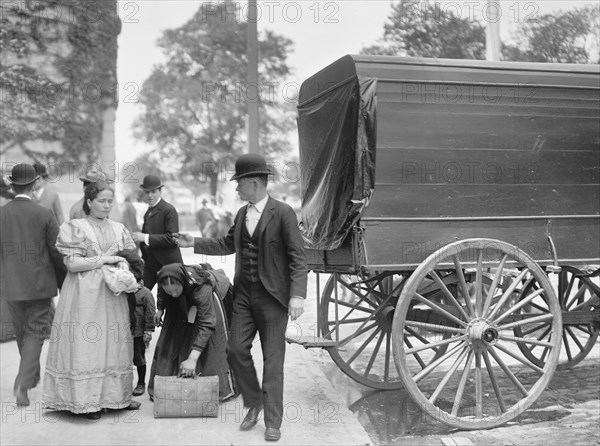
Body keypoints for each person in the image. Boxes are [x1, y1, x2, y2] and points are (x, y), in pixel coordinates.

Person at [176, 153, 307, 442]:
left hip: (273, 301)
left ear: (256, 183)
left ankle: (273, 421)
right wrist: (194, 242)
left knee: (273, 362)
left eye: (240, 183)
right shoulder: (241, 214)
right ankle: (253, 403)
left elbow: (299, 257)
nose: (236, 189)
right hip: (244, 298)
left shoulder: (283, 213)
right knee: (235, 350)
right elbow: (226, 244)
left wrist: (297, 295)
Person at [42, 180, 142, 419]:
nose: (107, 205)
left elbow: (131, 257)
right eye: (101, 201)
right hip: (84, 295)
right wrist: (107, 260)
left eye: (110, 201)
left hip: (113, 294)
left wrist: (124, 265)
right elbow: (73, 264)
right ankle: (86, 402)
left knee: (115, 343)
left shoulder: (119, 229)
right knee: (88, 344)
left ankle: (116, 397)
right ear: (89, 202)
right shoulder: (74, 227)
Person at [0, 163, 67, 406]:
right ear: (35, 182)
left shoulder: (2, 213)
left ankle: (30, 375)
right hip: (39, 286)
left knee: (21, 332)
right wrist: (64, 282)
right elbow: (56, 252)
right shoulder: (43, 214)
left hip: (10, 286)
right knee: (35, 334)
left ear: (13, 184)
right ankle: (23, 382)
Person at [147, 263, 236, 402]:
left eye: (175, 289)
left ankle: (219, 387)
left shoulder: (202, 289)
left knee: (211, 347)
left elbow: (207, 324)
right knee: (170, 340)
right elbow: (163, 291)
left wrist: (192, 359)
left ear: (183, 282)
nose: (173, 293)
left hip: (208, 305)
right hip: (181, 302)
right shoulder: (166, 281)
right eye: (169, 291)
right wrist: (160, 309)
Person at [131, 175, 182, 291]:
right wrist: (143, 257)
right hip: (151, 263)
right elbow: (145, 241)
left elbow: (172, 239)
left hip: (170, 264)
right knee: (139, 294)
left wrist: (145, 237)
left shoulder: (169, 210)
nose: (150, 195)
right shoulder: (148, 212)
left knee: (173, 301)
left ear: (160, 191)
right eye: (147, 192)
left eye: (153, 192)